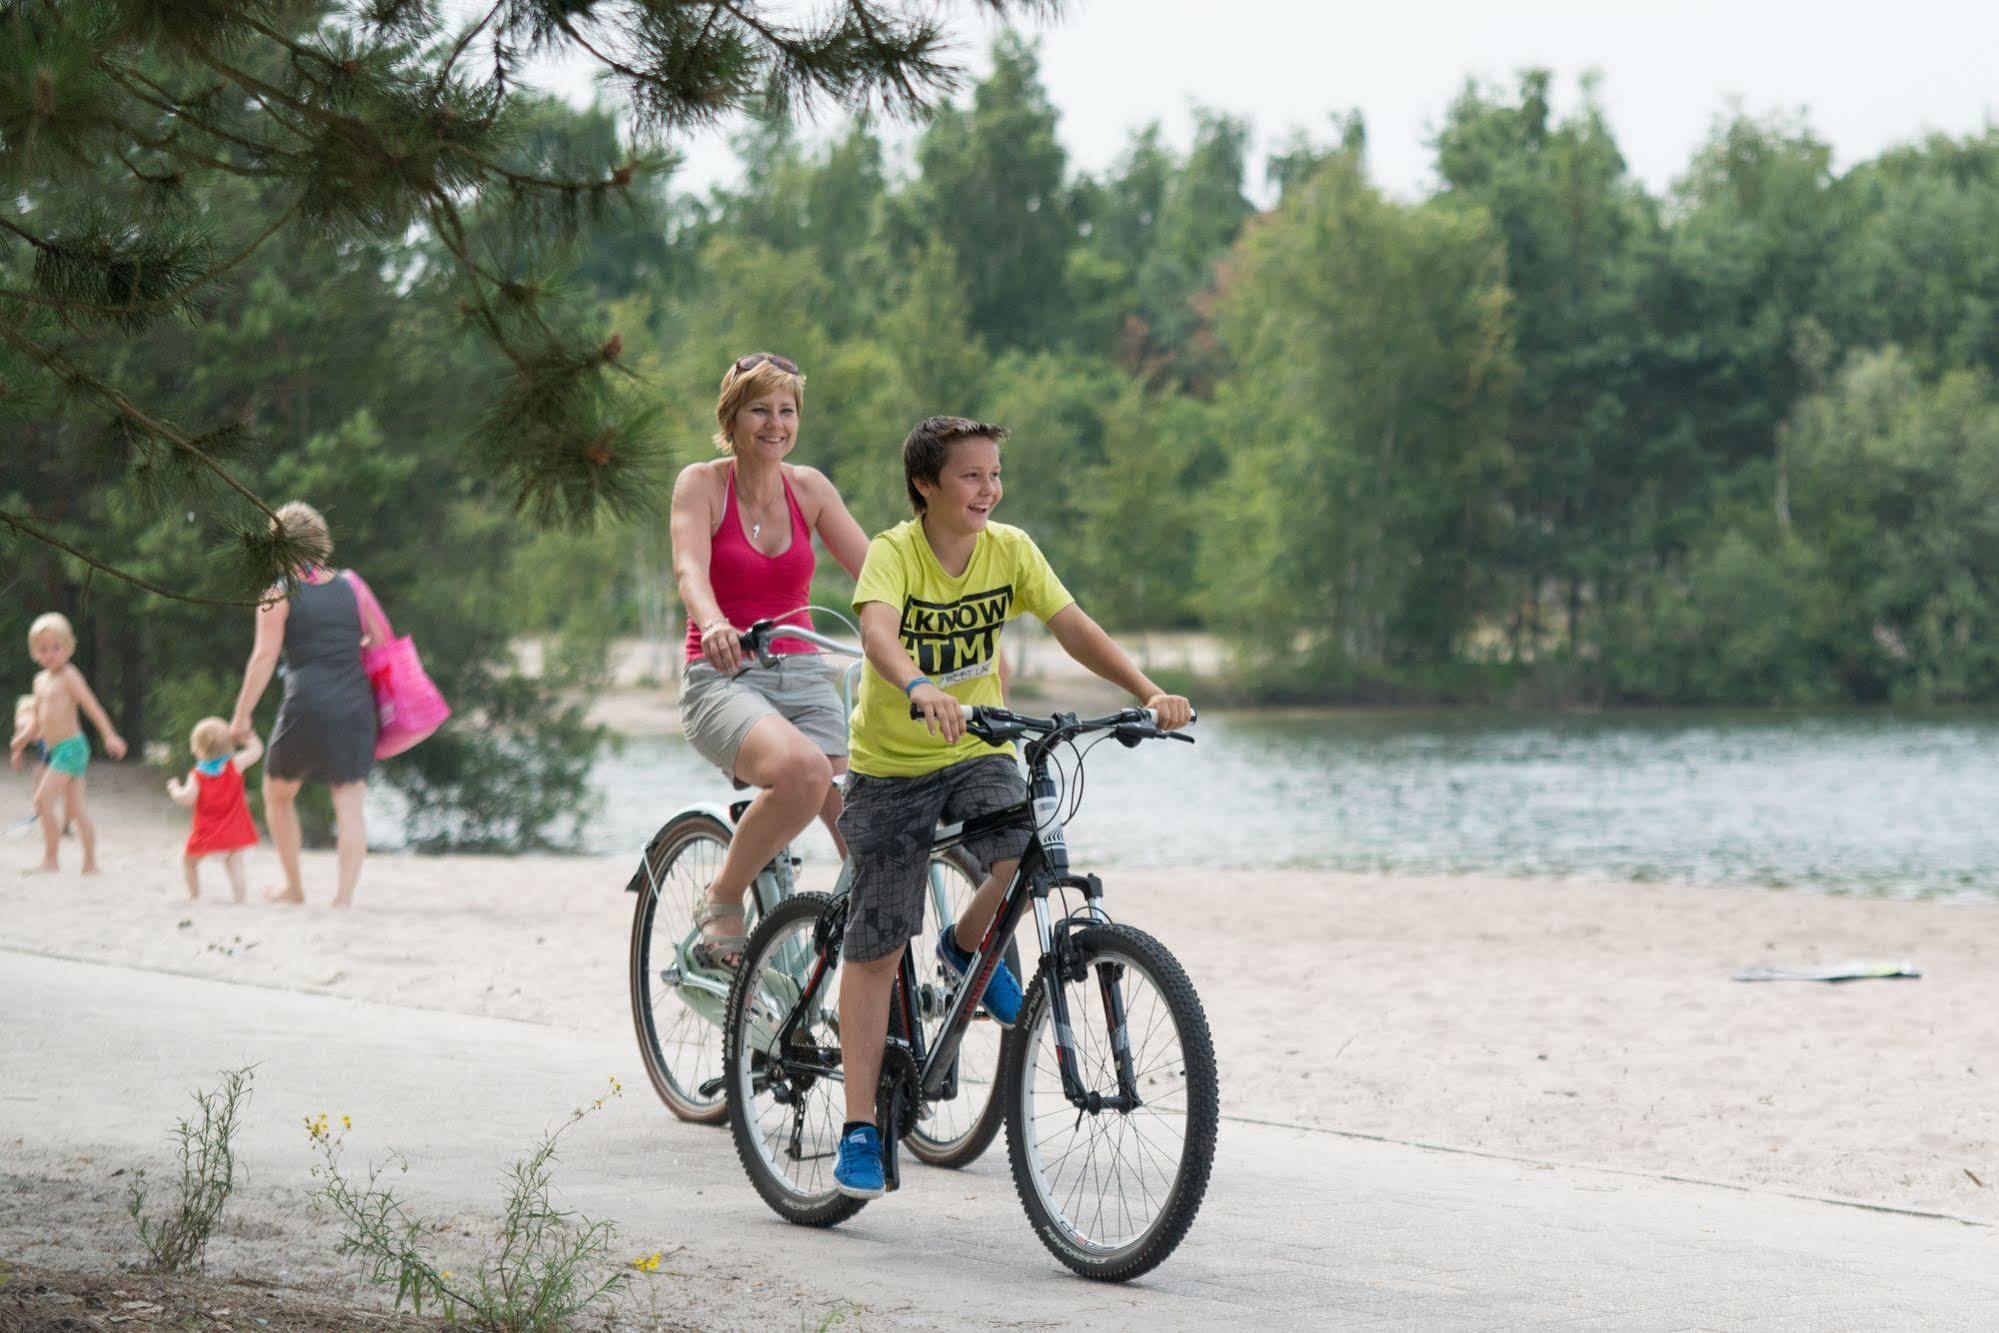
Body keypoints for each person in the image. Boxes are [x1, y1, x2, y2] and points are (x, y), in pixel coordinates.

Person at [829, 415, 1193, 1198]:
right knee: (877, 945)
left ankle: (965, 946)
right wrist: (920, 687)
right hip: (891, 767)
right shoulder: (895, 552)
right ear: (925, 484)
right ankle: (859, 1124)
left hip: (976, 750)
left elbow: (1073, 626)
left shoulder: (1011, 550)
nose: (988, 488)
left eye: (994, 474)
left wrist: (1147, 692)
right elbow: (877, 634)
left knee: (1024, 843)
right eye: (970, 475)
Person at [669, 352, 870, 969]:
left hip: (807, 673)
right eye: (760, 409)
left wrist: (933, 622)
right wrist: (715, 623)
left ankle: (836, 979)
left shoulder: (809, 489)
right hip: (722, 673)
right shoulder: (701, 484)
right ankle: (724, 893)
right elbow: (689, 570)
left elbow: (876, 574)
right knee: (807, 773)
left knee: (867, 832)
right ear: (732, 418)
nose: (775, 423)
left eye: (787, 410)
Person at [229, 501, 383, 908]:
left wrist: (241, 715)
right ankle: (343, 899)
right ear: (319, 539)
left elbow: (263, 658)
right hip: (354, 703)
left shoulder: (275, 594)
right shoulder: (353, 585)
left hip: (306, 705)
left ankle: (294, 887)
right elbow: (382, 642)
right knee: (349, 799)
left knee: (277, 793)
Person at [10, 613, 128, 875]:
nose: (50, 654)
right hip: (56, 750)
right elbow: (38, 720)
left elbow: (92, 706)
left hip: (73, 748)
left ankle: (51, 860)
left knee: (42, 801)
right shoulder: (40, 681)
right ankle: (90, 864)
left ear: (68, 647)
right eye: (43, 649)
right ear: (34, 651)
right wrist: (22, 741)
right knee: (75, 811)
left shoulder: (70, 676)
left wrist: (109, 735)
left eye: (56, 647)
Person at [167, 718, 264, 903]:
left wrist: (174, 788)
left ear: (197, 748)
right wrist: (247, 734)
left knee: (189, 862)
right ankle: (239, 898)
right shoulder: (234, 764)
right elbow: (256, 751)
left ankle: (194, 895)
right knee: (235, 865)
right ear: (229, 744)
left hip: (208, 834)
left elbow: (186, 799)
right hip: (234, 831)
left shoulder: (197, 775)